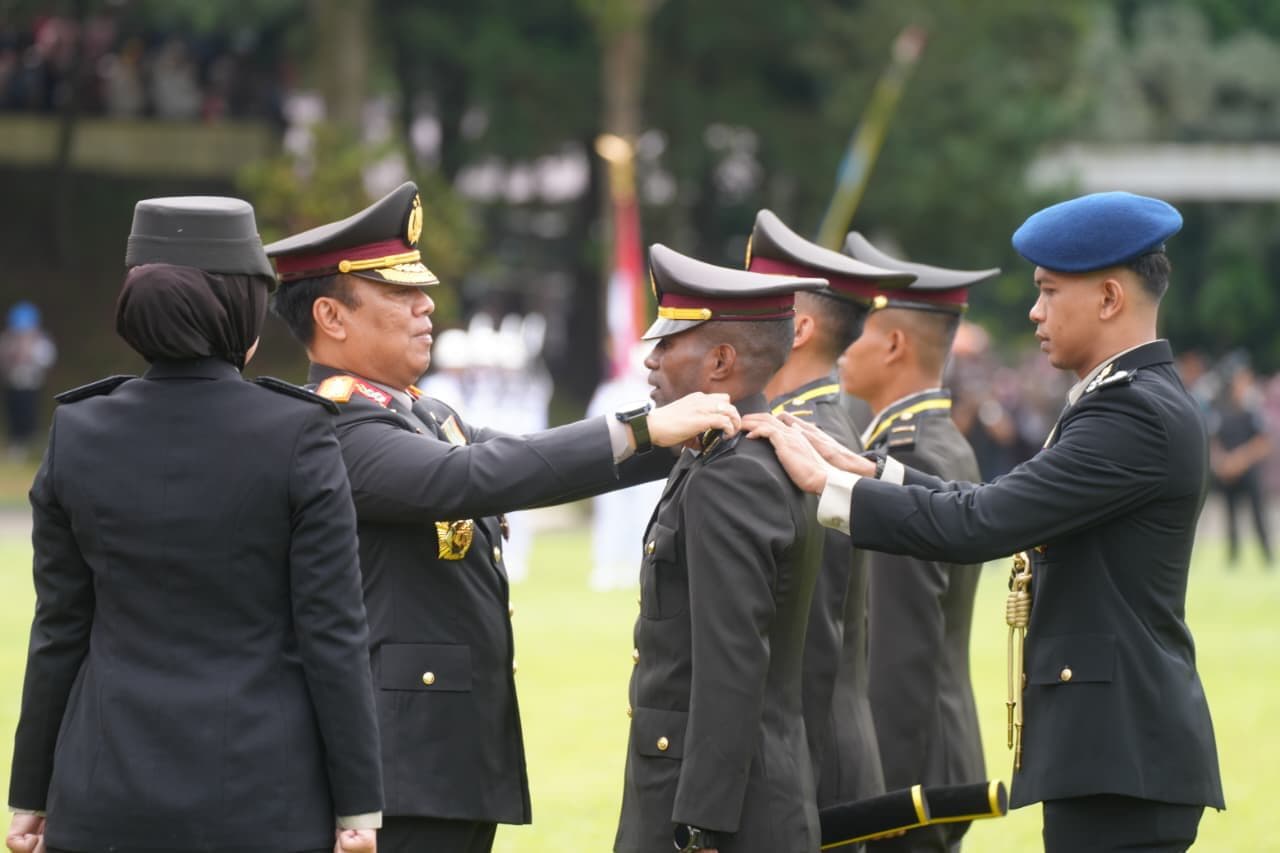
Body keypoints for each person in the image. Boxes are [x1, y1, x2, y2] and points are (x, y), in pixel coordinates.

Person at [264, 182, 739, 853]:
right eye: (400, 293)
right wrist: (644, 425)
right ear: (331, 317)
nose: (426, 304)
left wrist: (689, 433)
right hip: (392, 775)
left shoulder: (422, 413)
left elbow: (521, 459)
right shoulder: (333, 426)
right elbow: (469, 477)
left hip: (444, 763)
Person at [746, 191, 1224, 853]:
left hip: (1125, 758)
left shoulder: (1132, 413)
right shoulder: (1129, 400)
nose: (1035, 311)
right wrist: (863, 470)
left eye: (1050, 291)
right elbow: (993, 502)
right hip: (1118, 754)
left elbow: (981, 522)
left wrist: (831, 486)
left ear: (1110, 298)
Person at [5, 196, 383, 853]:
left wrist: (30, 795)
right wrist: (358, 807)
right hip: (262, 799)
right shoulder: (298, 434)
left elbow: (61, 629)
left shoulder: (79, 431)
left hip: (102, 799)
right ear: (243, 311)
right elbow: (332, 631)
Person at [614, 243, 827, 853]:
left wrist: (702, 828)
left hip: (722, 815)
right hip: (739, 796)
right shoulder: (726, 458)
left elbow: (732, 662)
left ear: (721, 361)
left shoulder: (729, 477)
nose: (650, 361)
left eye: (667, 344)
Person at [747, 209, 911, 827]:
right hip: (825, 747)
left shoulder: (801, 442)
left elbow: (813, 636)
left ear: (798, 329)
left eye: (752, 301)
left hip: (813, 759)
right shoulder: (821, 429)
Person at [839, 231, 1000, 853]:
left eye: (858, 331)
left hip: (908, 771)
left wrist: (879, 805)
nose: (841, 348)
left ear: (895, 344)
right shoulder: (941, 443)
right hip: (937, 750)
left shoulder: (908, 455)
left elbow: (900, 650)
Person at [1210, 361, 1274, 568]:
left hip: (1249, 471)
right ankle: (1233, 558)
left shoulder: (1252, 410)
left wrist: (1240, 459)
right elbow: (1214, 440)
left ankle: (1267, 556)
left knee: (1258, 516)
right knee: (1230, 518)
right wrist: (1222, 462)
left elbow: (1264, 442)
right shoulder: (1221, 409)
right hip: (1229, 472)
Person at [0, 301, 57, 459]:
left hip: (31, 385)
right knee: (14, 414)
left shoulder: (40, 341)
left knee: (29, 413)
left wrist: (29, 355)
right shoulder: (7, 340)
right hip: (12, 384)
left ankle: (30, 444)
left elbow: (47, 359)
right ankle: (15, 444)